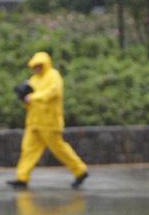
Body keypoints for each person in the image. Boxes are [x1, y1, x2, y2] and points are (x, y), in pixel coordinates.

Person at [7, 52, 88, 190]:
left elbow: (54, 92)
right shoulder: (33, 79)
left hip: (50, 122)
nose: (37, 68)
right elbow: (29, 99)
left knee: (59, 149)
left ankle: (80, 171)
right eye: (35, 66)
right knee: (28, 150)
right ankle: (22, 178)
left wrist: (33, 97)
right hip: (34, 122)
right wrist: (23, 96)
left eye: (39, 65)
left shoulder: (53, 76)